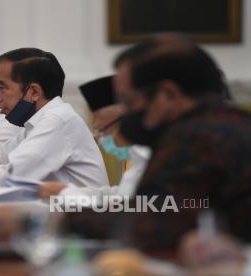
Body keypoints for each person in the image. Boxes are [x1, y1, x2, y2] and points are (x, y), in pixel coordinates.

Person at [65, 33, 251, 254]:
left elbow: (150, 222)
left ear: (168, 94)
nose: (126, 114)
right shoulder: (233, 121)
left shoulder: (195, 138)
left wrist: (52, 221)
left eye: (129, 102)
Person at [0, 48, 109, 189]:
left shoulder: (58, 120)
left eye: (2, 87)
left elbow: (12, 176)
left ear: (34, 92)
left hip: (84, 214)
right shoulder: (35, 122)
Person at [39, 75, 150, 199]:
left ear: (126, 120)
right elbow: (121, 195)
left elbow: (136, 203)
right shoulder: (136, 158)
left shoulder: (151, 156)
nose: (102, 140)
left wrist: (66, 193)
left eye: (102, 130)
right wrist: (66, 191)